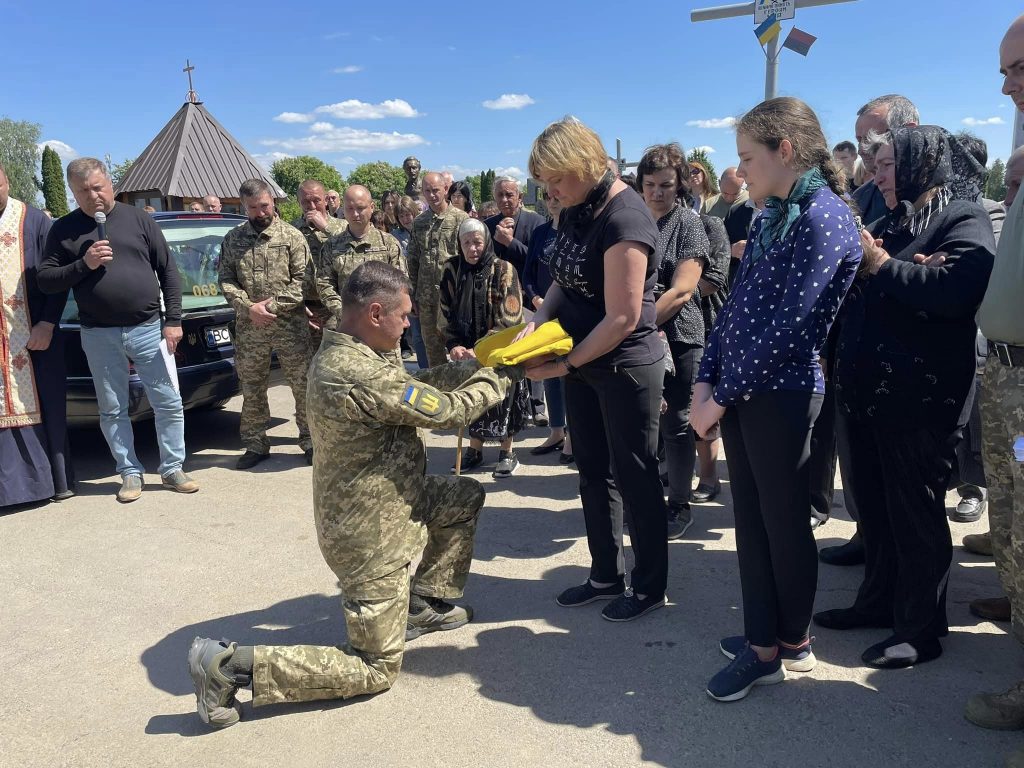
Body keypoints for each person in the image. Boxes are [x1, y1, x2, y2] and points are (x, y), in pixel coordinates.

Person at [187, 261, 522, 729]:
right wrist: (502, 374)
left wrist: (474, 366)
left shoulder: (359, 350)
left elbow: (416, 387)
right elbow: (447, 412)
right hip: (369, 534)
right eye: (403, 315)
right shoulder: (353, 371)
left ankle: (422, 604)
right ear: (376, 313)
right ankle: (230, 668)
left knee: (462, 497)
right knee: (375, 667)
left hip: (396, 500)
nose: (408, 323)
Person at [690, 97, 861, 701]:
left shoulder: (824, 217)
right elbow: (736, 309)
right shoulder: (772, 215)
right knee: (756, 522)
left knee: (779, 525)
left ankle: (769, 649)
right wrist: (707, 378)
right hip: (745, 389)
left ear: (784, 150)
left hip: (781, 394)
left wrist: (719, 396)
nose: (741, 171)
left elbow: (791, 327)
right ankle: (782, 638)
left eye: (747, 157)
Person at [814, 126, 994, 671]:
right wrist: (907, 269)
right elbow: (863, 281)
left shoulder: (961, 217)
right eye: (875, 166)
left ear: (922, 164)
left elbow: (954, 292)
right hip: (870, 394)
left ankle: (920, 630)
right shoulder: (895, 222)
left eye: (888, 165)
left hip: (921, 400)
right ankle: (877, 603)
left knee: (915, 514)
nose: (878, 176)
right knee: (876, 510)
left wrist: (885, 267)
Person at [522, 116, 668, 622]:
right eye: (544, 184)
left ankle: (649, 587)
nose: (550, 193)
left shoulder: (625, 217)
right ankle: (605, 573)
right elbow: (562, 279)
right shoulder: (576, 207)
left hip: (625, 366)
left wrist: (563, 363)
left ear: (584, 164)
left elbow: (623, 318)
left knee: (636, 477)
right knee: (593, 473)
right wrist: (538, 322)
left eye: (555, 180)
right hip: (584, 362)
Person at [38, 157, 197, 502]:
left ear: (110, 184)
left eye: (98, 187)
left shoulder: (139, 219)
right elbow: (47, 280)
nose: (93, 196)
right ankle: (129, 472)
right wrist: (84, 263)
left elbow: (168, 271)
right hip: (98, 334)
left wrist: (173, 321)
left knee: (167, 401)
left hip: (148, 328)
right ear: (73, 193)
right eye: (83, 191)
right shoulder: (63, 230)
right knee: (112, 408)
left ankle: (172, 468)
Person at [965, 16, 1024, 753]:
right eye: (1005, 70)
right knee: (1011, 518)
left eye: (1020, 68)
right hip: (1009, 377)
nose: (1008, 85)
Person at [638, 143, 710, 539]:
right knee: (642, 423)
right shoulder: (634, 221)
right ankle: (647, 500)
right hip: (638, 336)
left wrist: (634, 324)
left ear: (679, 185)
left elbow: (682, 290)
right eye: (650, 184)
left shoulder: (688, 224)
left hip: (680, 336)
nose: (657, 192)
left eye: (665, 185)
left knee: (677, 423)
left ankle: (680, 504)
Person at [219, 179, 313, 469]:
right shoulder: (233, 239)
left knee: (302, 385)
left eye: (264, 206)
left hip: (290, 326)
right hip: (251, 328)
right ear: (243, 207)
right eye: (253, 208)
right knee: (252, 387)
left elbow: (303, 282)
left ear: (272, 201)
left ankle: (310, 441)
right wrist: (248, 308)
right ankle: (255, 443)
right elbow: (226, 279)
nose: (261, 213)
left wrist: (269, 307)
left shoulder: (292, 236)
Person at [0, 163, 75, 508]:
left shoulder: (33, 222)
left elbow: (56, 278)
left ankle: (50, 482)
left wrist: (47, 323)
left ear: (7, 181)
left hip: (33, 335)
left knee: (43, 404)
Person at [439, 218, 528, 477]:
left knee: (502, 399)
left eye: (477, 242)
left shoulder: (504, 269)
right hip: (466, 350)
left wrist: (480, 348)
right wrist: (454, 344)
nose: (472, 248)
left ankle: (507, 452)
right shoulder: (452, 269)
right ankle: (474, 450)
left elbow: (510, 318)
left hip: (499, 348)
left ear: (487, 241)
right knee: (472, 399)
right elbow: (444, 310)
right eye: (466, 243)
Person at [485, 175, 547, 424]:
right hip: (498, 302)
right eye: (500, 195)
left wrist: (510, 242)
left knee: (533, 349)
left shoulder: (536, 222)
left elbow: (538, 260)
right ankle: (508, 407)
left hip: (529, 298)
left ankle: (538, 406)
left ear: (520, 197)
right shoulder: (489, 225)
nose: (505, 199)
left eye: (510, 194)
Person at [315, 185, 406, 351]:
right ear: (343, 209)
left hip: (383, 329)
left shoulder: (389, 244)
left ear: (372, 207)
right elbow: (324, 284)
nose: (355, 214)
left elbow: (400, 284)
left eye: (360, 208)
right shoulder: (332, 246)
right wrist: (346, 312)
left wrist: (380, 314)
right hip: (348, 331)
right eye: (350, 208)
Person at [523, 191, 573, 463]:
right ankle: (556, 432)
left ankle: (574, 438)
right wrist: (535, 299)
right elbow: (528, 273)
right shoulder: (540, 233)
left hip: (570, 314)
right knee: (549, 373)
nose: (553, 201)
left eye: (557, 196)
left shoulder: (576, 230)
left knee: (569, 373)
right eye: (548, 196)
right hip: (543, 314)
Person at [406, 171, 470, 367]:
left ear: (445, 189)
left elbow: (468, 259)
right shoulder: (419, 222)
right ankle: (439, 385)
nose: (432, 195)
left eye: (435, 190)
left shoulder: (461, 219)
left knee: (462, 350)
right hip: (427, 300)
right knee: (433, 351)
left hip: (454, 297)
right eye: (427, 191)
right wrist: (412, 294)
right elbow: (413, 260)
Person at [853, 94, 920, 228]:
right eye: (859, 140)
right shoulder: (860, 197)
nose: (861, 150)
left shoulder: (945, 199)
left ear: (909, 131)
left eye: (871, 139)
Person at [292, 179, 347, 340]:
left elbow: (351, 254)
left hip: (338, 307)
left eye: (316, 200)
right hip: (305, 309)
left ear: (326, 199)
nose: (312, 206)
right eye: (306, 202)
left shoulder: (343, 226)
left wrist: (325, 228)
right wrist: (297, 308)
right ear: (299, 203)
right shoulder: (291, 230)